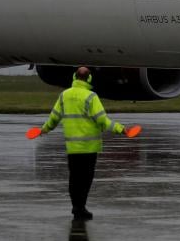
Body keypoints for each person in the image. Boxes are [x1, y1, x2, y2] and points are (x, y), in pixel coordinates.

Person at [40, 66, 131, 220]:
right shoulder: (91, 97)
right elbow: (102, 120)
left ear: (75, 77)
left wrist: (44, 129)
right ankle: (81, 207)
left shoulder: (64, 95)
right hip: (89, 148)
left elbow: (54, 117)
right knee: (86, 179)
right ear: (89, 79)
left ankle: (76, 206)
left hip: (73, 147)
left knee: (74, 178)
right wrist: (121, 129)